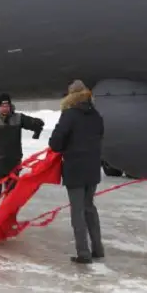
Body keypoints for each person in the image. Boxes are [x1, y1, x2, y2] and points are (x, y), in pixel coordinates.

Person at [48, 80, 105, 264]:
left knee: (78, 211)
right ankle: (98, 249)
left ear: (71, 95)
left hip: (75, 169)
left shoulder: (69, 114)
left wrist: (65, 147)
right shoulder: (96, 115)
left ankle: (83, 253)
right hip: (92, 168)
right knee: (90, 208)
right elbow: (100, 136)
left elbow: (56, 142)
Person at [0, 93, 45, 222]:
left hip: (13, 161)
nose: (5, 108)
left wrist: (37, 130)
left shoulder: (18, 118)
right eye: (2, 105)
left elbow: (38, 123)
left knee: (11, 194)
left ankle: (9, 220)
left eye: (7, 105)